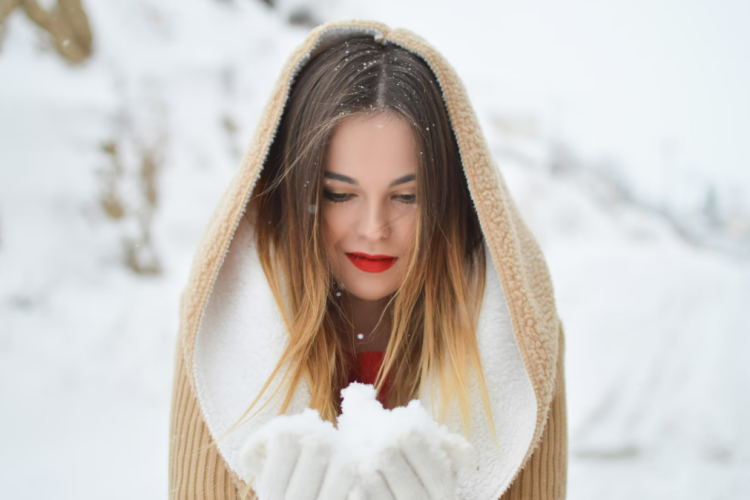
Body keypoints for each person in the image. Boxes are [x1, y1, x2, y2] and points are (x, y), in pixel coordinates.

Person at [168, 20, 568, 500]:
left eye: (407, 196)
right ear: (297, 194)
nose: (374, 227)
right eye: (339, 194)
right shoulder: (222, 332)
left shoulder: (517, 342)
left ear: (450, 199)